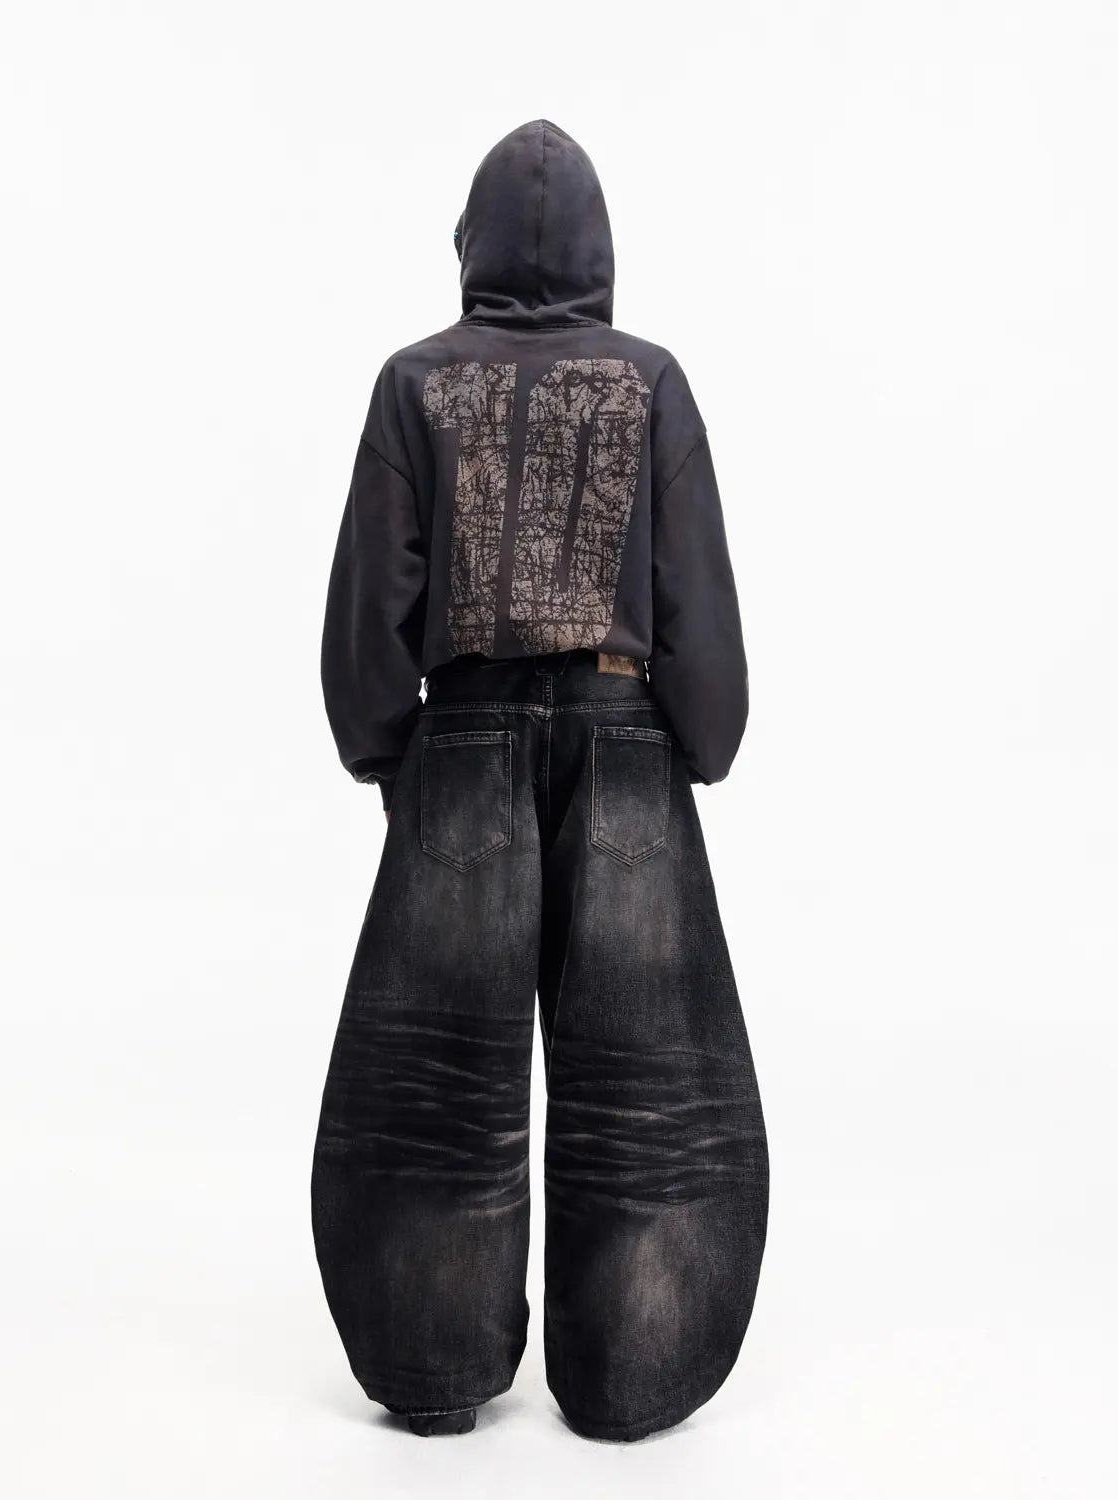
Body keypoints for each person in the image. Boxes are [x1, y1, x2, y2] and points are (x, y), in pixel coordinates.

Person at [310, 118, 769, 1442]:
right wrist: (703, 743)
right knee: (647, 1082)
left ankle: (432, 1371)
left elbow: (369, 610)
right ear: (603, 250)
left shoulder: (413, 383)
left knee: (435, 1079)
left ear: (471, 244)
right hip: (626, 742)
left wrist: (389, 754)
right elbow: (697, 602)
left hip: (460, 736)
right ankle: (633, 1380)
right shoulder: (650, 382)